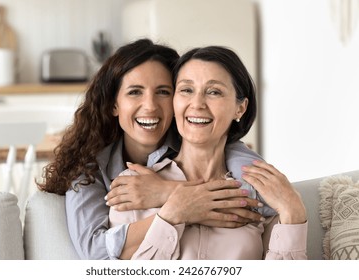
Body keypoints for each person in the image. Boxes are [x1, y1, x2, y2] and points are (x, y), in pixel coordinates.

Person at [38, 39, 272, 260]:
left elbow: (265, 202)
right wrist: (182, 208)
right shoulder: (89, 169)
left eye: (163, 92)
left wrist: (165, 191)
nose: (150, 106)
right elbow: (96, 251)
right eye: (135, 92)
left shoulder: (202, 140)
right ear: (113, 104)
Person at [109, 46, 308, 260]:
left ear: (240, 108)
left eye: (214, 92)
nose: (197, 104)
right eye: (186, 90)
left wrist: (293, 213)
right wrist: (172, 214)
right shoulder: (132, 186)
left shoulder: (260, 194)